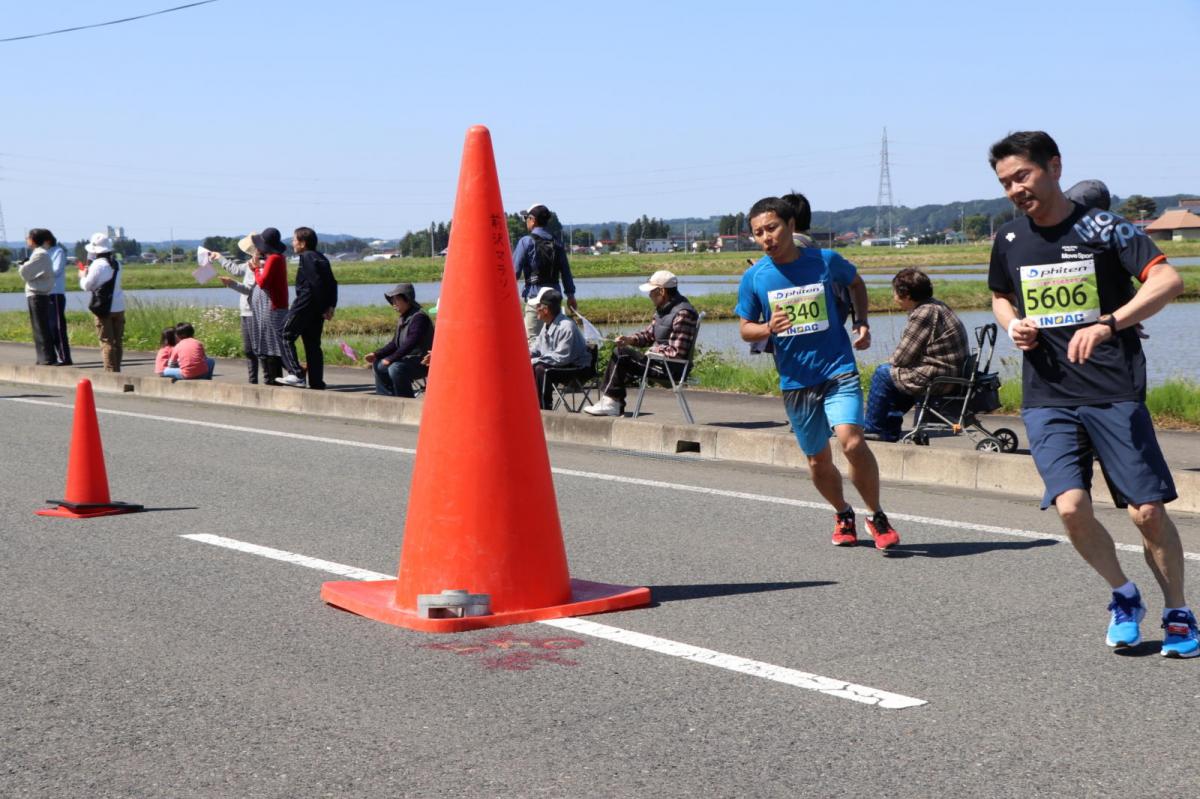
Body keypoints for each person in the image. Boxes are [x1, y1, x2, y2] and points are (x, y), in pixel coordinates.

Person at [988, 130, 1194, 657]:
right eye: (1006, 182)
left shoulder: (1104, 227)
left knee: (1146, 512)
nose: (1015, 189)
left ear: (1053, 167)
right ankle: (1124, 596)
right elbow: (1000, 297)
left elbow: (1167, 281)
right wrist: (1013, 325)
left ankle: (1177, 610)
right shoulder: (1009, 238)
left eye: (1023, 176)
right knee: (1071, 506)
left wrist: (1109, 323)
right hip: (1047, 394)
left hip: (1113, 388)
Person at [735, 195, 901, 551]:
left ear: (791, 226)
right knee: (817, 459)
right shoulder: (754, 278)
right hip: (796, 379)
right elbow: (745, 327)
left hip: (838, 368)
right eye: (758, 232)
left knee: (852, 441)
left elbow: (856, 283)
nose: (767, 238)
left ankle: (876, 514)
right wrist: (767, 328)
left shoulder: (825, 261)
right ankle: (843, 512)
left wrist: (862, 323)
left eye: (773, 228)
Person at [863, 268, 969, 442]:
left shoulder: (924, 313)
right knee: (895, 376)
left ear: (906, 295)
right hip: (948, 372)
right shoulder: (935, 305)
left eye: (895, 292)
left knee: (883, 373)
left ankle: (874, 428)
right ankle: (887, 430)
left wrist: (890, 364)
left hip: (939, 377)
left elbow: (901, 358)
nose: (893, 297)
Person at [582, 270, 698, 417]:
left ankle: (612, 403)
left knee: (622, 354)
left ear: (662, 291)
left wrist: (654, 351)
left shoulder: (683, 313)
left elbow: (677, 353)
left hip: (670, 369)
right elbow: (649, 335)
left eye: (651, 292)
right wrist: (629, 340)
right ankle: (611, 402)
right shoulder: (663, 310)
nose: (649, 296)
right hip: (658, 362)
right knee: (621, 351)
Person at [280, 227, 338, 389]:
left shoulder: (306, 257)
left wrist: (320, 306)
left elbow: (316, 284)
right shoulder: (321, 257)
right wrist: (329, 306)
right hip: (318, 309)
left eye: (294, 240)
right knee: (312, 345)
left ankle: (297, 373)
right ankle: (316, 381)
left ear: (303, 243)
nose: (292, 243)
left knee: (284, 334)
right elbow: (332, 283)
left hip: (305, 304)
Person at [512, 203, 577, 343]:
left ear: (532, 220)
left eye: (526, 218)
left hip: (536, 301)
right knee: (554, 342)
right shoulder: (557, 243)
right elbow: (566, 272)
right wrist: (571, 296)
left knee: (533, 342)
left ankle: (536, 366)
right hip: (554, 301)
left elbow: (514, 273)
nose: (525, 222)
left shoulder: (526, 242)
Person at [248, 228, 304, 385]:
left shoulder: (274, 259)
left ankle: (293, 372)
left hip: (274, 306)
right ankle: (292, 372)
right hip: (275, 305)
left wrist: (255, 269)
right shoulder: (277, 258)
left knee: (273, 342)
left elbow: (263, 282)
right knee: (273, 342)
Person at [206, 236, 260, 383]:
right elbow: (236, 270)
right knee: (250, 350)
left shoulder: (259, 265)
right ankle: (253, 380)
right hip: (246, 311)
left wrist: (231, 283)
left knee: (257, 350)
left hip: (253, 312)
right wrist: (219, 257)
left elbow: (249, 290)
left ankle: (293, 370)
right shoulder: (251, 263)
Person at [365, 283, 433, 398]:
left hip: (422, 361)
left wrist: (391, 358)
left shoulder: (419, 318)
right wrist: (376, 354)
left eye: (396, 300)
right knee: (378, 364)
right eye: (392, 300)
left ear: (407, 300)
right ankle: (386, 398)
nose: (393, 303)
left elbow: (410, 343)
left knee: (395, 368)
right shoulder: (403, 317)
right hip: (407, 359)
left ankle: (405, 400)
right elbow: (394, 344)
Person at [528, 288, 591, 410]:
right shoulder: (547, 324)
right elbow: (537, 348)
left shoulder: (566, 327)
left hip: (577, 368)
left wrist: (533, 361)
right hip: (561, 364)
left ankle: (544, 408)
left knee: (540, 369)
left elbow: (562, 357)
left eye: (537, 306)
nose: (535, 310)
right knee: (527, 365)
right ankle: (530, 404)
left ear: (545, 309)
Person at [79, 232, 126, 372]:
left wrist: (82, 276)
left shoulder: (98, 265)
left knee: (106, 341)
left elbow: (88, 286)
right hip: (119, 306)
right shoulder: (116, 263)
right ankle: (117, 369)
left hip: (103, 308)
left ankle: (110, 371)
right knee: (118, 341)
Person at [18, 229, 58, 365]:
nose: (26, 239)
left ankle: (46, 358)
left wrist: (23, 265)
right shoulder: (39, 254)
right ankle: (44, 357)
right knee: (40, 327)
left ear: (34, 239)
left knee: (40, 327)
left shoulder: (40, 254)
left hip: (37, 294)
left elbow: (25, 273)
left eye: (28, 237)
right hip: (38, 294)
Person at [43, 230, 72, 365]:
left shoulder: (58, 251)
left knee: (57, 327)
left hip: (55, 293)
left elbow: (56, 270)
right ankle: (53, 356)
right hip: (44, 293)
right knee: (48, 327)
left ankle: (65, 357)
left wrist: (39, 273)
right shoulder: (42, 253)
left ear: (47, 240)